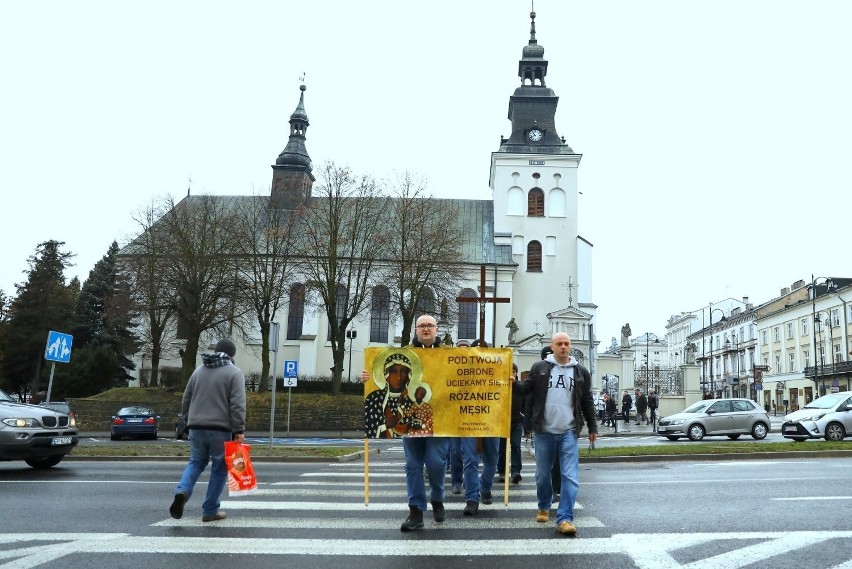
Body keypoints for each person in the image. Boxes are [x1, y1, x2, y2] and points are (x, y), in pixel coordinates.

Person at [361, 314, 449, 532]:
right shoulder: (405, 353)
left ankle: (437, 498)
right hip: (408, 423)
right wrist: (367, 378)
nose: (426, 329)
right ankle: (416, 510)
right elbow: (381, 385)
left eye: (430, 326)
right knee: (412, 465)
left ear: (437, 329)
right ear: (416, 330)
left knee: (436, 463)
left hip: (442, 419)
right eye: (422, 326)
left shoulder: (450, 353)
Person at [515, 332, 598, 536]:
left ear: (570, 346)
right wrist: (513, 383)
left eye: (566, 343)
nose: (563, 347)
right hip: (544, 431)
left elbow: (586, 400)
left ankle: (565, 518)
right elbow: (527, 391)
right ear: (552, 347)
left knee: (570, 477)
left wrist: (592, 427)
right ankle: (544, 505)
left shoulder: (581, 372)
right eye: (559, 344)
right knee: (543, 475)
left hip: (569, 431)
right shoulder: (540, 368)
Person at [169, 338, 246, 523]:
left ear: (215, 351)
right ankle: (210, 510)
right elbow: (237, 404)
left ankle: (182, 491)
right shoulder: (235, 373)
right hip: (220, 429)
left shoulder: (199, 370)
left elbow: (186, 398)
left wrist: (187, 420)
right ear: (232, 355)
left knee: (195, 462)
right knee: (219, 469)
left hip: (196, 427)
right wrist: (239, 429)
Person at [457, 338, 499, 515]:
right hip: (468, 418)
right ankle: (472, 498)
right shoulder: (459, 372)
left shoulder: (496, 369)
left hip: (491, 419)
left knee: (492, 459)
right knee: (470, 459)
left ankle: (485, 487)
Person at [497, 363, 524, 485]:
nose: (511, 374)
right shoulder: (500, 386)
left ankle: (516, 471)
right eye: (509, 371)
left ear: (516, 373)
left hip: (517, 422)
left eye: (513, 371)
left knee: (516, 446)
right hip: (502, 422)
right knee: (502, 448)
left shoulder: (520, 387)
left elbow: (525, 403)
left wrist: (525, 417)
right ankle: (502, 471)